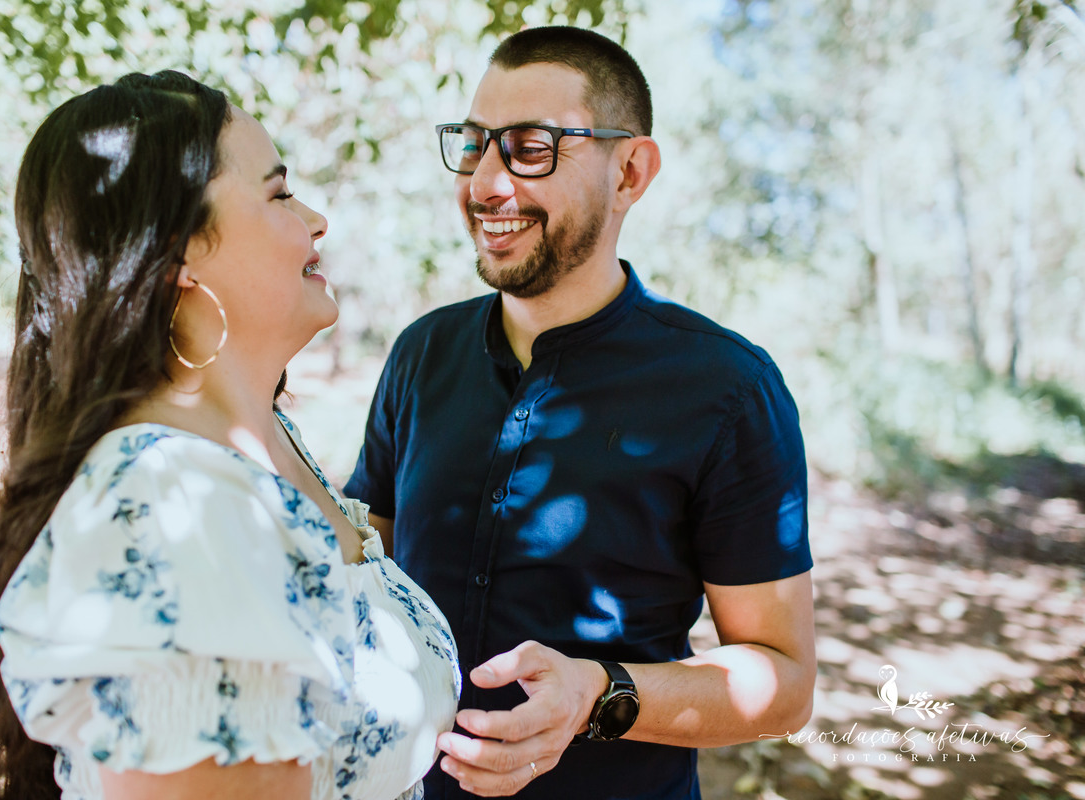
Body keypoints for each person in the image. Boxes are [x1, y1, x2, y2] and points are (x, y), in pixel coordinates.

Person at [0, 70, 459, 800]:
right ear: (180, 248)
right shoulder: (180, 504)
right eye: (280, 193)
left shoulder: (261, 445)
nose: (316, 218)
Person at [345, 26, 815, 799]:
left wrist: (598, 695)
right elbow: (370, 576)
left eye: (530, 147)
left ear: (630, 170)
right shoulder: (420, 354)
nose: (485, 184)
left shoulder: (729, 390)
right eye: (473, 145)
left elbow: (784, 684)